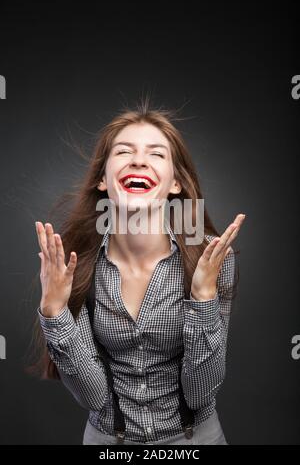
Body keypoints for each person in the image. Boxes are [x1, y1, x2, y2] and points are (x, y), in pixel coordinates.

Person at [33, 102, 246, 445]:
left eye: (156, 153)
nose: (138, 160)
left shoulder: (210, 257)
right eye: (124, 151)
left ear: (175, 183)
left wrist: (203, 298)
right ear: (103, 179)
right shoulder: (75, 259)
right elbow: (93, 398)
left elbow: (201, 392)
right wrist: (55, 314)